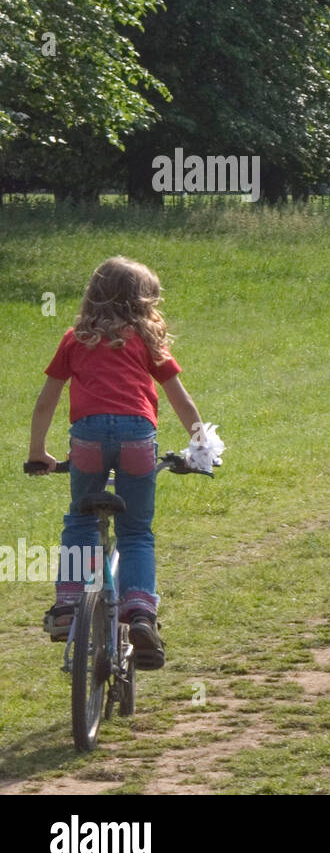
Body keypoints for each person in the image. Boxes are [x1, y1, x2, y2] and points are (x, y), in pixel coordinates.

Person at [27, 256, 211, 670]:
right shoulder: (147, 342)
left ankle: (69, 604)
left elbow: (46, 401)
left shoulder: (75, 340)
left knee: (79, 522)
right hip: (138, 441)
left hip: (88, 439)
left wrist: (38, 452)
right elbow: (181, 400)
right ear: (143, 302)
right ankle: (141, 613)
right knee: (136, 533)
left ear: (93, 295)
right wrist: (201, 449)